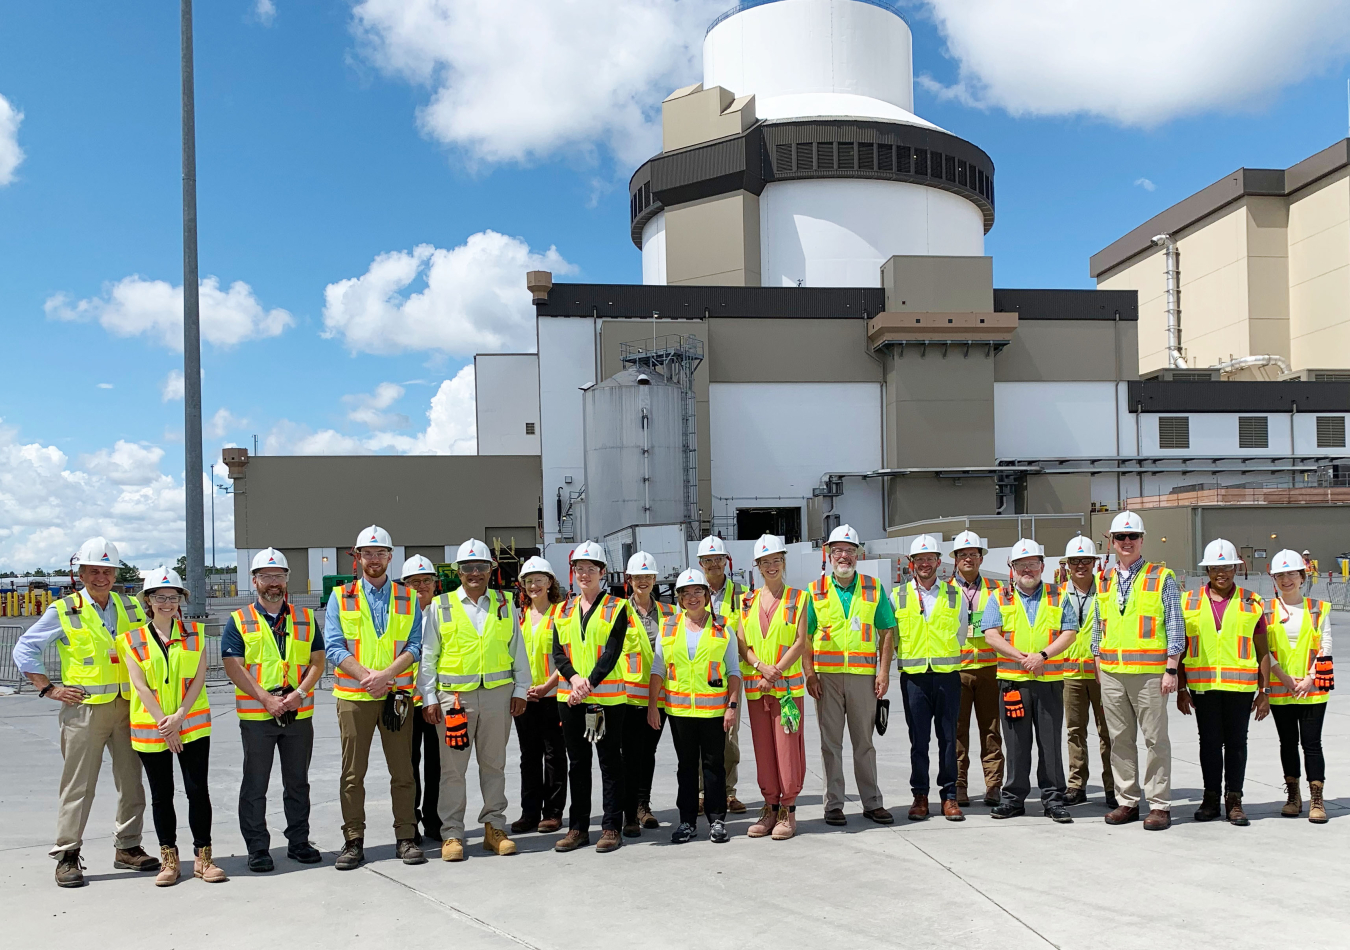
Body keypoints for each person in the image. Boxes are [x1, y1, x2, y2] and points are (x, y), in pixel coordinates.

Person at [12, 536, 160, 887]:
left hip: (128, 707)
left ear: (115, 573)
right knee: (78, 786)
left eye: (106, 570)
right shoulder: (65, 609)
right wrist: (48, 688)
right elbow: (25, 649)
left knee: (131, 782)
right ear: (80, 572)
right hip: (84, 711)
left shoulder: (132, 607)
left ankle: (128, 846)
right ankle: (67, 854)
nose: (100, 576)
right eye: (93, 570)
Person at [418, 539, 530, 861]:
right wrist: (429, 697)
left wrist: (521, 689)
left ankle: (494, 827)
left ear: (491, 570)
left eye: (481, 566)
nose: (475, 573)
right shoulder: (441, 606)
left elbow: (516, 649)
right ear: (458, 572)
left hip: (497, 697)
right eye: (468, 568)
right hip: (455, 700)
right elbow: (429, 656)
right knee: (453, 770)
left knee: (493, 765)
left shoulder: (506, 603)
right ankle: (452, 833)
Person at [324, 525, 424, 870]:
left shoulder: (407, 597)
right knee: (352, 774)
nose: (374, 559)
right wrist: (368, 678)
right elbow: (334, 646)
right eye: (368, 553)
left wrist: (386, 677)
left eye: (381, 553)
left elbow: (415, 646)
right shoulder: (341, 596)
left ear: (390, 557)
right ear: (357, 557)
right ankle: (353, 840)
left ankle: (406, 837)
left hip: (395, 695)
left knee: (403, 770)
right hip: (355, 696)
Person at [222, 548, 325, 872]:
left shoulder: (305, 618)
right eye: (266, 576)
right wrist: (265, 699)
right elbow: (233, 666)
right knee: (255, 784)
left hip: (298, 715)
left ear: (286, 580)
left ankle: (298, 841)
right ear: (254, 581)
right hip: (257, 718)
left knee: (298, 782)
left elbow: (317, 661)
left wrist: (299, 693)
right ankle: (257, 848)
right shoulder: (239, 620)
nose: (273, 583)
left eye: (278, 576)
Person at [121, 567, 225, 885]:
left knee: (197, 792)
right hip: (152, 730)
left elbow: (198, 679)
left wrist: (179, 717)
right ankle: (169, 860)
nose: (167, 602)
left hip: (191, 726)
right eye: (160, 597)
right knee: (161, 795)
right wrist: (165, 725)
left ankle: (203, 859)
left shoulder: (196, 634)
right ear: (148, 601)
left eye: (173, 597)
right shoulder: (131, 640)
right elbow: (139, 686)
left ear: (181, 600)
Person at [1093, 510, 1186, 831]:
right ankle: (1127, 801)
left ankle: (1159, 804)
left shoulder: (1162, 577)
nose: (1127, 542)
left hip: (1150, 675)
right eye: (1121, 537)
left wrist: (1171, 669)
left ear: (1142, 540)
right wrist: (1098, 668)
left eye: (1132, 536)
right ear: (1112, 540)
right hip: (1112, 673)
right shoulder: (1103, 579)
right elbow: (1097, 628)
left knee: (1155, 740)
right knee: (1119, 739)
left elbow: (1176, 625)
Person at [805, 524, 897, 826]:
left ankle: (872, 802)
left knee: (864, 743)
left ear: (859, 554)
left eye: (849, 550)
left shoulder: (873, 587)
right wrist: (810, 675)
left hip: (863, 677)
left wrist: (883, 672)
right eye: (838, 551)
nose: (843, 556)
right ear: (829, 555)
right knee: (830, 743)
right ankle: (833, 804)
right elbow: (804, 637)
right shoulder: (814, 590)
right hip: (827, 678)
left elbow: (887, 632)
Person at [551, 541, 639, 853]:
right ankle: (578, 827)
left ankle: (611, 826)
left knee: (610, 762)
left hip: (608, 700)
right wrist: (575, 681)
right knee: (577, 763)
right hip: (570, 699)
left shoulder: (617, 607)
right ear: (573, 573)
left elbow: (612, 652)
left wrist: (587, 684)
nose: (584, 574)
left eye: (591, 568)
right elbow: (557, 653)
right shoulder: (563, 609)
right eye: (579, 568)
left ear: (602, 572)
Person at [982, 540, 1078, 822]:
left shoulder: (1059, 595)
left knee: (1050, 742)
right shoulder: (999, 597)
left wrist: (1043, 656)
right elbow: (991, 634)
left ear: (1042, 567)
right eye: (1021, 564)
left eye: (1033, 564)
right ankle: (1013, 798)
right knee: (1016, 743)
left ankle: (1053, 799)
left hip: (1048, 680)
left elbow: (1069, 631)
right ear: (1011, 568)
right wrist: (1022, 657)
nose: (1027, 569)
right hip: (1013, 682)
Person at [1176, 539, 1269, 825]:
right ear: (1207, 570)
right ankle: (1210, 799)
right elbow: (1178, 647)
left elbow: (1263, 650)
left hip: (1240, 688)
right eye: (1215, 567)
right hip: (1202, 687)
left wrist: (1264, 691)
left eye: (1227, 567)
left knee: (1237, 743)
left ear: (1236, 569)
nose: (1221, 573)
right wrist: (1181, 688)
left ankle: (1235, 800)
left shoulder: (1252, 602)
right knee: (1210, 744)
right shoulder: (1187, 601)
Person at [647, 568, 742, 843]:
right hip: (678, 712)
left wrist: (732, 706)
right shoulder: (669, 626)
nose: (692, 597)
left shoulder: (723, 626)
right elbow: (658, 668)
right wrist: (654, 705)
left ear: (706, 595)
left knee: (714, 765)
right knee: (686, 767)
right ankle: (687, 821)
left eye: (697, 591)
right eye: (686, 593)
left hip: (713, 711)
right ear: (678, 598)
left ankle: (717, 820)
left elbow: (734, 671)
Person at [737, 535, 809, 840]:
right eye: (765, 562)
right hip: (757, 687)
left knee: (788, 749)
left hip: (786, 690)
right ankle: (769, 806)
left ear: (784, 562)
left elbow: (800, 642)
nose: (771, 566)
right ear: (757, 566)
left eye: (776, 560)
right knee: (763, 749)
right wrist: (760, 667)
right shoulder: (746, 601)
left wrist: (775, 671)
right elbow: (742, 644)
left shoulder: (799, 598)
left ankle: (788, 810)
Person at [892, 535, 965, 822]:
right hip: (914, 679)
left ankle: (949, 796)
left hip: (947, 677)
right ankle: (920, 795)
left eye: (930, 558)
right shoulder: (897, 596)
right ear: (912, 564)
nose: (925, 563)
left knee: (948, 739)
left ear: (939, 562)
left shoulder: (954, 595)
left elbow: (960, 633)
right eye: (919, 559)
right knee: (918, 740)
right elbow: (894, 637)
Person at [1264, 549, 1332, 823]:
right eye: (1280, 575)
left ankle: (1317, 798)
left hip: (1313, 690)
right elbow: (1264, 649)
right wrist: (1281, 676)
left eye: (1291, 573)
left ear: (1302, 577)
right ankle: (1293, 795)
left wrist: (1309, 678)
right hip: (1282, 690)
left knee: (1312, 745)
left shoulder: (1318, 607)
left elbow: (1325, 646)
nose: (1286, 579)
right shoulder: (1266, 609)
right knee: (1288, 744)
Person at [1058, 536, 1117, 809]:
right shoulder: (1057, 594)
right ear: (1067, 565)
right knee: (1075, 731)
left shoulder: (1107, 592)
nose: (1080, 565)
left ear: (1095, 563)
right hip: (1070, 672)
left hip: (1102, 672)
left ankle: (1112, 787)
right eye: (1075, 561)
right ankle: (1076, 785)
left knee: (1109, 732)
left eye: (1086, 560)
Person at [510, 556, 568, 835]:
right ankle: (529, 812)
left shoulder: (562, 614)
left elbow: (568, 656)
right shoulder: (517, 616)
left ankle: (553, 813)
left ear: (550, 583)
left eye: (539, 580)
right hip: (525, 696)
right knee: (528, 756)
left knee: (554, 755)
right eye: (529, 581)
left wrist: (547, 685)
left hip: (554, 696)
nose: (534, 585)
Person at [949, 530, 1005, 807]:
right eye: (963, 555)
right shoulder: (945, 589)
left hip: (989, 668)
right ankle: (959, 784)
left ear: (981, 558)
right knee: (957, 731)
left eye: (973, 554)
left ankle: (993, 785)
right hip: (956, 670)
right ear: (955, 560)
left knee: (991, 729)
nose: (968, 559)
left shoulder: (997, 589)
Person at [696, 535, 747, 814]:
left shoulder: (742, 595)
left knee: (728, 738)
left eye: (718, 559)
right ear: (700, 563)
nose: (714, 564)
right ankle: (703, 793)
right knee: (700, 739)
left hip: (729, 675)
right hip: (697, 676)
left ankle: (728, 792)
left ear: (726, 561)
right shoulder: (691, 590)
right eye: (708, 560)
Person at [620, 551, 669, 836]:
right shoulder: (618, 612)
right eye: (638, 577)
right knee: (629, 756)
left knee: (647, 753)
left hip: (658, 697)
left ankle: (642, 805)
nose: (643, 581)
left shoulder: (668, 613)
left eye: (648, 577)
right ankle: (629, 811)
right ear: (630, 579)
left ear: (654, 579)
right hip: (627, 697)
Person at [400, 555, 443, 844]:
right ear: (404, 585)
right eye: (414, 582)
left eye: (426, 581)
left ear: (434, 584)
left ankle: (435, 819)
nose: (421, 586)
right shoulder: (398, 615)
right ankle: (411, 821)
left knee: (438, 765)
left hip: (438, 700)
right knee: (409, 765)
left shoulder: (443, 612)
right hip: (407, 702)